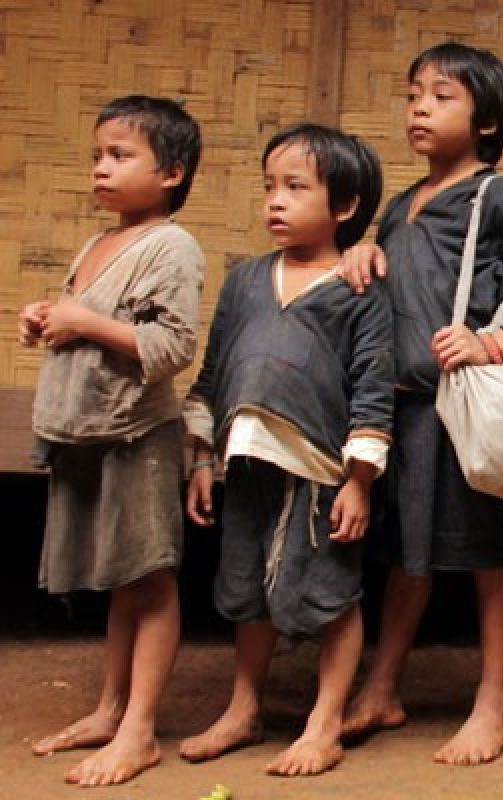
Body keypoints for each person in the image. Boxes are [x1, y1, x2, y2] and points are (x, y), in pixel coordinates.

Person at [338, 42, 503, 766]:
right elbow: (391, 284)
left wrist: (492, 341)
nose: (419, 106)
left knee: (484, 554)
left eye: (441, 95)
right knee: (407, 557)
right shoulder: (397, 206)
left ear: (487, 121)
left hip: (458, 410)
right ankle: (382, 687)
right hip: (402, 411)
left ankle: (495, 700)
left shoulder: (497, 198)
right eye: (414, 93)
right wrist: (360, 254)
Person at [177, 123, 392, 777]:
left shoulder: (360, 290)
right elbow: (213, 375)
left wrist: (358, 480)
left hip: (321, 474)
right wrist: (203, 459)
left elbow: (374, 387)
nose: (276, 200)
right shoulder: (245, 281)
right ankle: (244, 709)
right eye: (270, 186)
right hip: (243, 464)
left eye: (296, 188)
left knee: (330, 594)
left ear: (345, 206)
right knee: (245, 590)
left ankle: (324, 724)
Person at [18, 95, 204, 786]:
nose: (102, 167)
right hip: (83, 432)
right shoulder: (97, 245)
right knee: (120, 583)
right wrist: (47, 318)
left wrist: (83, 322)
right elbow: (88, 321)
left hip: (135, 433)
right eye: (98, 154)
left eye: (121, 155)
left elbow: (172, 345)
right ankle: (108, 708)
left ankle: (139, 730)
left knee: (148, 580)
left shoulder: (171, 245)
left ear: (172, 173)